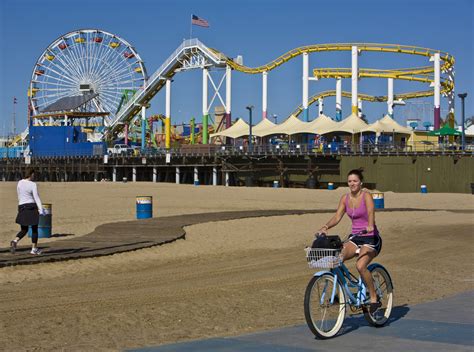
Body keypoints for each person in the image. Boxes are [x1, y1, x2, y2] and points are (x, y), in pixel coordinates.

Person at [317, 169, 382, 313]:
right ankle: (338, 294)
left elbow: (371, 212)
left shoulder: (366, 196)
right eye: (350, 181)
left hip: (371, 238)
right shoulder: (345, 198)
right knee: (336, 258)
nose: (352, 184)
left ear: (360, 183)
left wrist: (370, 225)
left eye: (355, 181)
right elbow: (337, 216)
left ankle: (373, 297)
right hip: (356, 237)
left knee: (360, 266)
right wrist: (326, 226)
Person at [10, 168, 44, 255]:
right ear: (31, 174)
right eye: (34, 174)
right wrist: (41, 209)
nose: (34, 176)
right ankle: (34, 249)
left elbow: (19, 195)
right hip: (31, 207)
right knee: (34, 229)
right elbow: (36, 197)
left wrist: (20, 204)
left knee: (24, 229)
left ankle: (15, 241)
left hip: (22, 206)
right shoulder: (33, 184)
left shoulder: (20, 182)